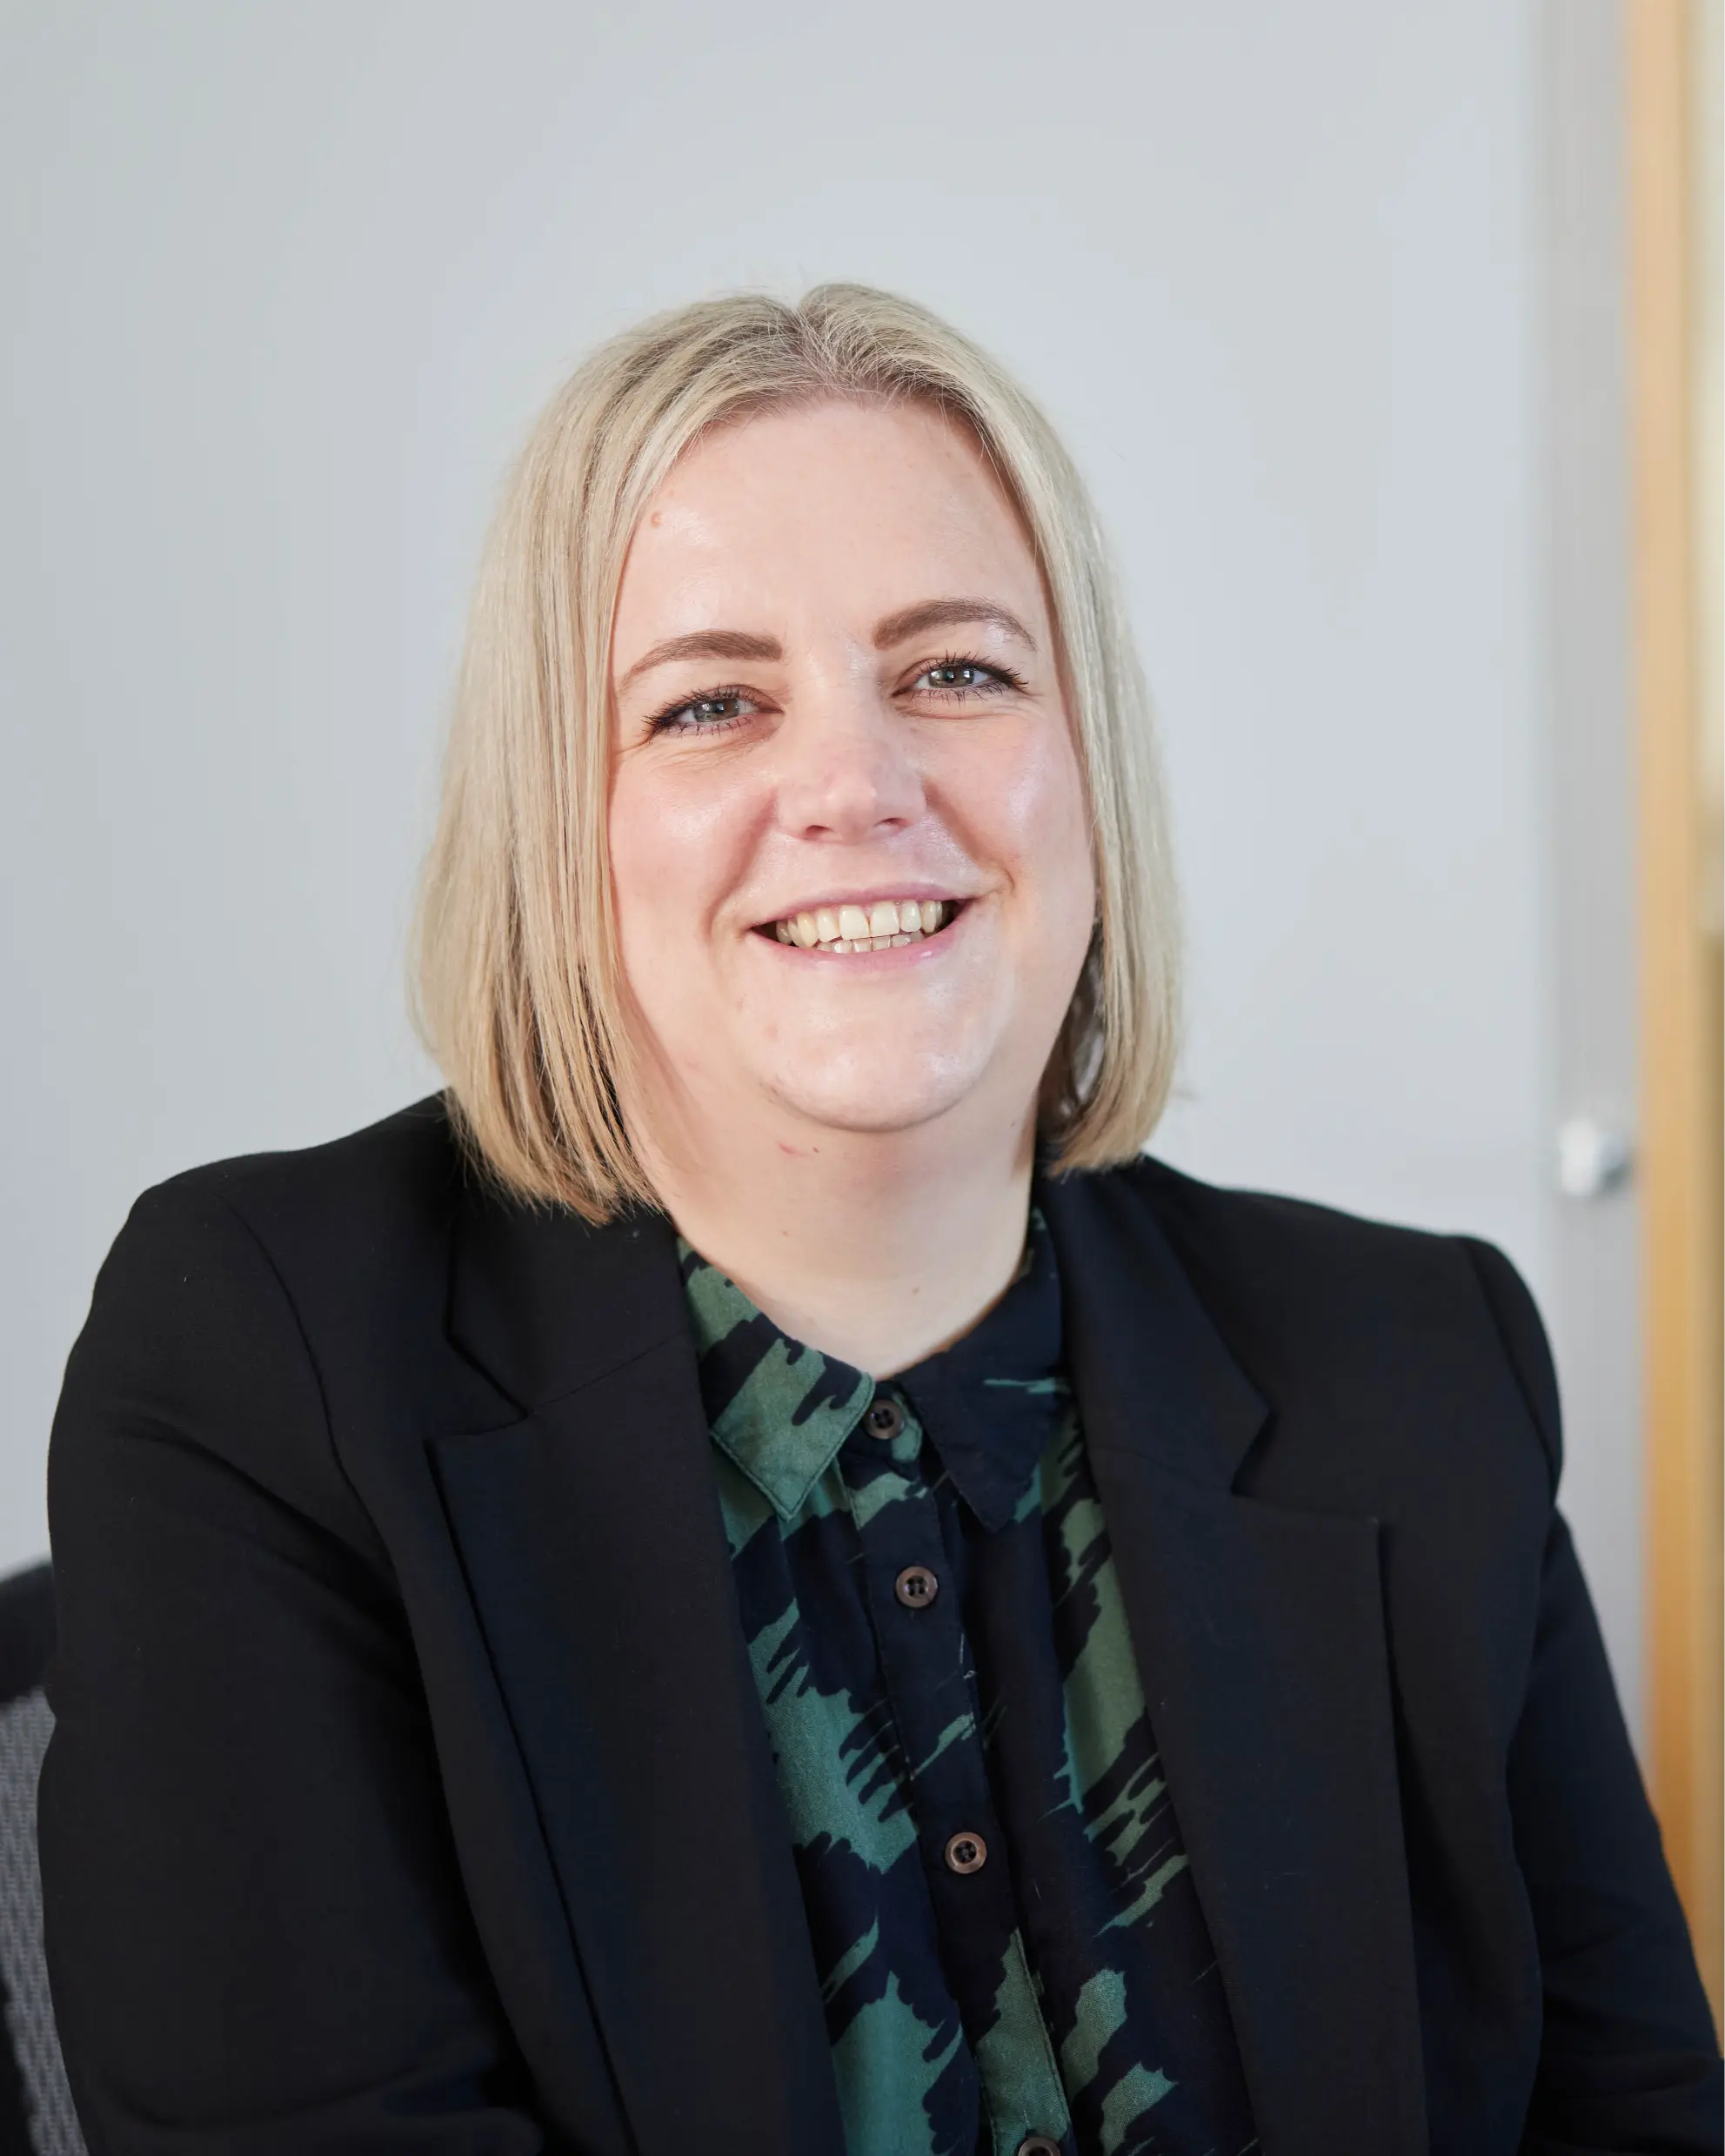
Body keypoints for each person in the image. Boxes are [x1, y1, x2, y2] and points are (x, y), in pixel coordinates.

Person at [37, 285, 1725, 2156]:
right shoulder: (269, 1369)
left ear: (1085, 775)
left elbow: (1631, 2113)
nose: (854, 785)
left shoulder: (1411, 1362)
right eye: (709, 705)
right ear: (555, 821)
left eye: (955, 672)